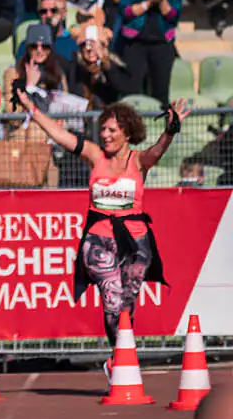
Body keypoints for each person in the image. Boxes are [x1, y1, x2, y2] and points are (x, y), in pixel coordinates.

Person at [16, 95, 188, 345]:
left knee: (125, 308)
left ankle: (119, 357)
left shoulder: (138, 161)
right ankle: (122, 356)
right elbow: (58, 134)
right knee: (112, 294)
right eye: (103, 129)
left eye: (112, 130)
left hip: (136, 244)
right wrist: (30, 108)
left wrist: (171, 130)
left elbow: (158, 150)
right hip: (98, 241)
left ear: (127, 133)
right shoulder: (96, 156)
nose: (105, 135)